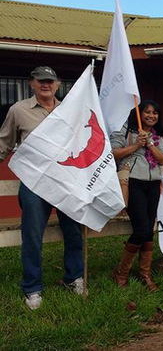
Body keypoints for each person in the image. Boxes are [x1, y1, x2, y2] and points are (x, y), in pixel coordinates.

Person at [0, 66, 84, 310]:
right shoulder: (19, 110)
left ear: (57, 85)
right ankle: (33, 288)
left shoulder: (68, 111)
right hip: (35, 184)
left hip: (66, 181)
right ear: (32, 84)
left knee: (73, 233)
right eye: (41, 81)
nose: (46, 85)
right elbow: (4, 142)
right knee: (33, 237)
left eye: (50, 81)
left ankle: (73, 277)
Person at [110, 100, 163, 291]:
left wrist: (150, 144)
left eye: (155, 113)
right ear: (139, 113)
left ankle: (145, 274)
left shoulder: (157, 136)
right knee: (142, 229)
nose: (151, 116)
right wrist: (136, 145)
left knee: (148, 230)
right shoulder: (125, 129)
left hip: (153, 184)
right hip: (133, 183)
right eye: (147, 112)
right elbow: (113, 153)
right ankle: (121, 272)